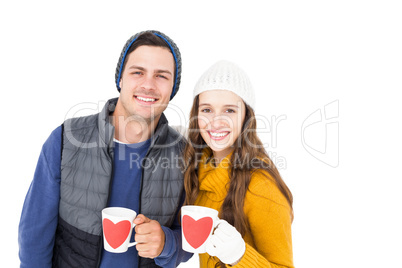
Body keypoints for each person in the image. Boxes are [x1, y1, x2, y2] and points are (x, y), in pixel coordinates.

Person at [18, 30, 192, 268]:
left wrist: (167, 243)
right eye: (137, 72)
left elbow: (191, 237)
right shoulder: (66, 140)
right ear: (120, 78)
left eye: (161, 76)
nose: (148, 85)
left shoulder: (184, 154)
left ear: (173, 88)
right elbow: (34, 237)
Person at [183, 60, 294, 267]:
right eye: (207, 110)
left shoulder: (261, 186)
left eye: (229, 111)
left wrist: (239, 256)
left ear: (246, 118)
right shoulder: (197, 171)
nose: (216, 121)